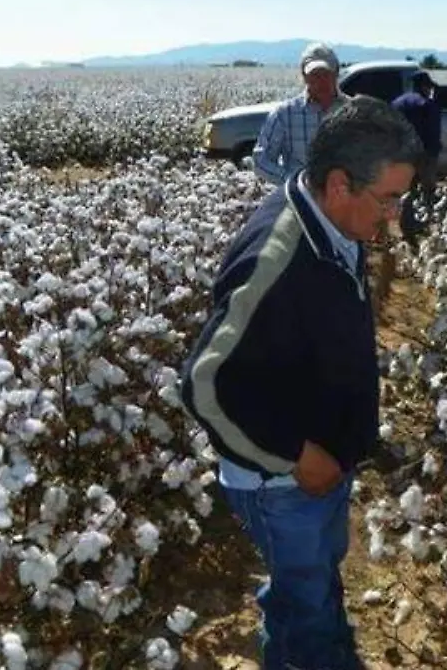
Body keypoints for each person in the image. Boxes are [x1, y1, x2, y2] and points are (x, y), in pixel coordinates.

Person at [178, 96, 423, 670]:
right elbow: (203, 382)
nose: (395, 215)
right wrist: (296, 457)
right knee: (308, 604)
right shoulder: (279, 256)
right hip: (280, 484)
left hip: (317, 469)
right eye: (389, 199)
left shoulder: (332, 224)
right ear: (340, 184)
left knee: (307, 587)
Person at [252, 41, 350, 186]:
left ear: (336, 74)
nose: (320, 81)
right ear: (304, 77)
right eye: (314, 75)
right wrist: (294, 183)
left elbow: (372, 158)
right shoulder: (285, 114)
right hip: (300, 199)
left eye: (325, 74)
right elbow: (261, 160)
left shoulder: (354, 112)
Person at [390, 71, 443, 246]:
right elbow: (433, 132)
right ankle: (427, 225)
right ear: (424, 86)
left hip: (401, 154)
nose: (430, 91)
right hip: (423, 154)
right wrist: (434, 152)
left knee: (407, 190)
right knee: (427, 190)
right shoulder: (426, 104)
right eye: (429, 87)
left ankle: (406, 225)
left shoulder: (397, 103)